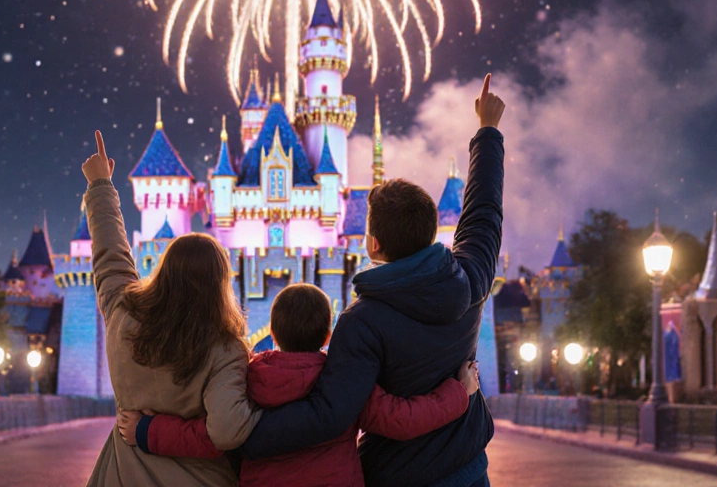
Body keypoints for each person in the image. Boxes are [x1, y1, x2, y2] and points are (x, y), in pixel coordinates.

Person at [238, 74, 506, 487]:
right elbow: (484, 213)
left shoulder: (361, 322)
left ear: (373, 245)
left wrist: (233, 436)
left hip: (397, 475)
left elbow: (329, 415)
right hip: (469, 470)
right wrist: (488, 131)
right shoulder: (470, 279)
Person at [117, 283, 480, 487]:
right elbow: (400, 419)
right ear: (327, 335)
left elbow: (210, 436)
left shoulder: (247, 381)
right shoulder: (343, 380)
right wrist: (458, 393)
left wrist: (148, 430)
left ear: (272, 333)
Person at [81, 131, 259, 487]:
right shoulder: (225, 349)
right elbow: (225, 432)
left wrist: (100, 185)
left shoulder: (123, 314)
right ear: (220, 285)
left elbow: (110, 257)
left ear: (163, 269)